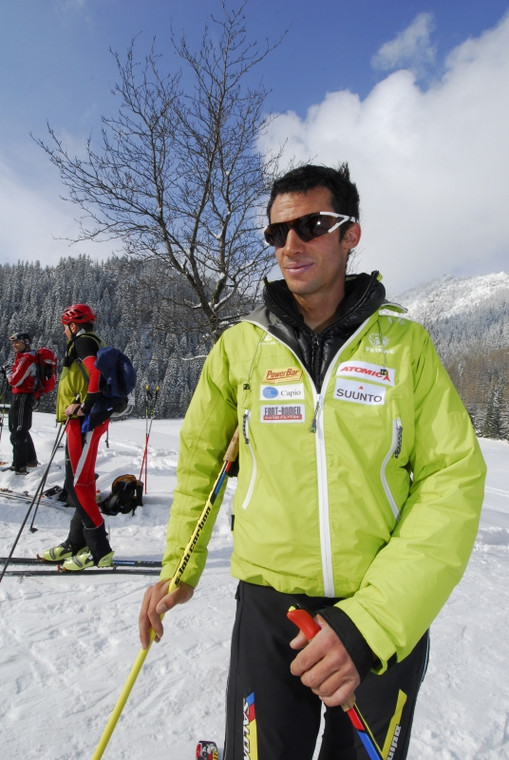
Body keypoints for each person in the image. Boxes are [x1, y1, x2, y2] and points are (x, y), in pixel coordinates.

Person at [138, 164, 486, 759]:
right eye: (277, 233)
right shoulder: (241, 346)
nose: (291, 245)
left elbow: (451, 480)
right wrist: (181, 566)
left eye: (311, 225)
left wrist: (367, 626)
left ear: (351, 234)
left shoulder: (405, 346)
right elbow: (201, 460)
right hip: (272, 613)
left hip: (375, 616)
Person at [41, 303, 114, 571]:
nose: (64, 333)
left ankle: (100, 550)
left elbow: (95, 374)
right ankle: (76, 542)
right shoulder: (85, 342)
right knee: (75, 484)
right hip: (78, 423)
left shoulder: (84, 342)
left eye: (65, 327)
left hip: (84, 423)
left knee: (81, 486)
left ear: (75, 326)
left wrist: (84, 406)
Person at [4, 332, 38, 473]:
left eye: (17, 342)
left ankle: (19, 466)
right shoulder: (25, 358)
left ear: (26, 343)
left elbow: (14, 380)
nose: (14, 345)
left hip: (22, 396)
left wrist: (7, 372)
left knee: (17, 430)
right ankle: (30, 460)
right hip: (24, 396)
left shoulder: (26, 359)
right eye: (13, 343)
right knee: (20, 428)